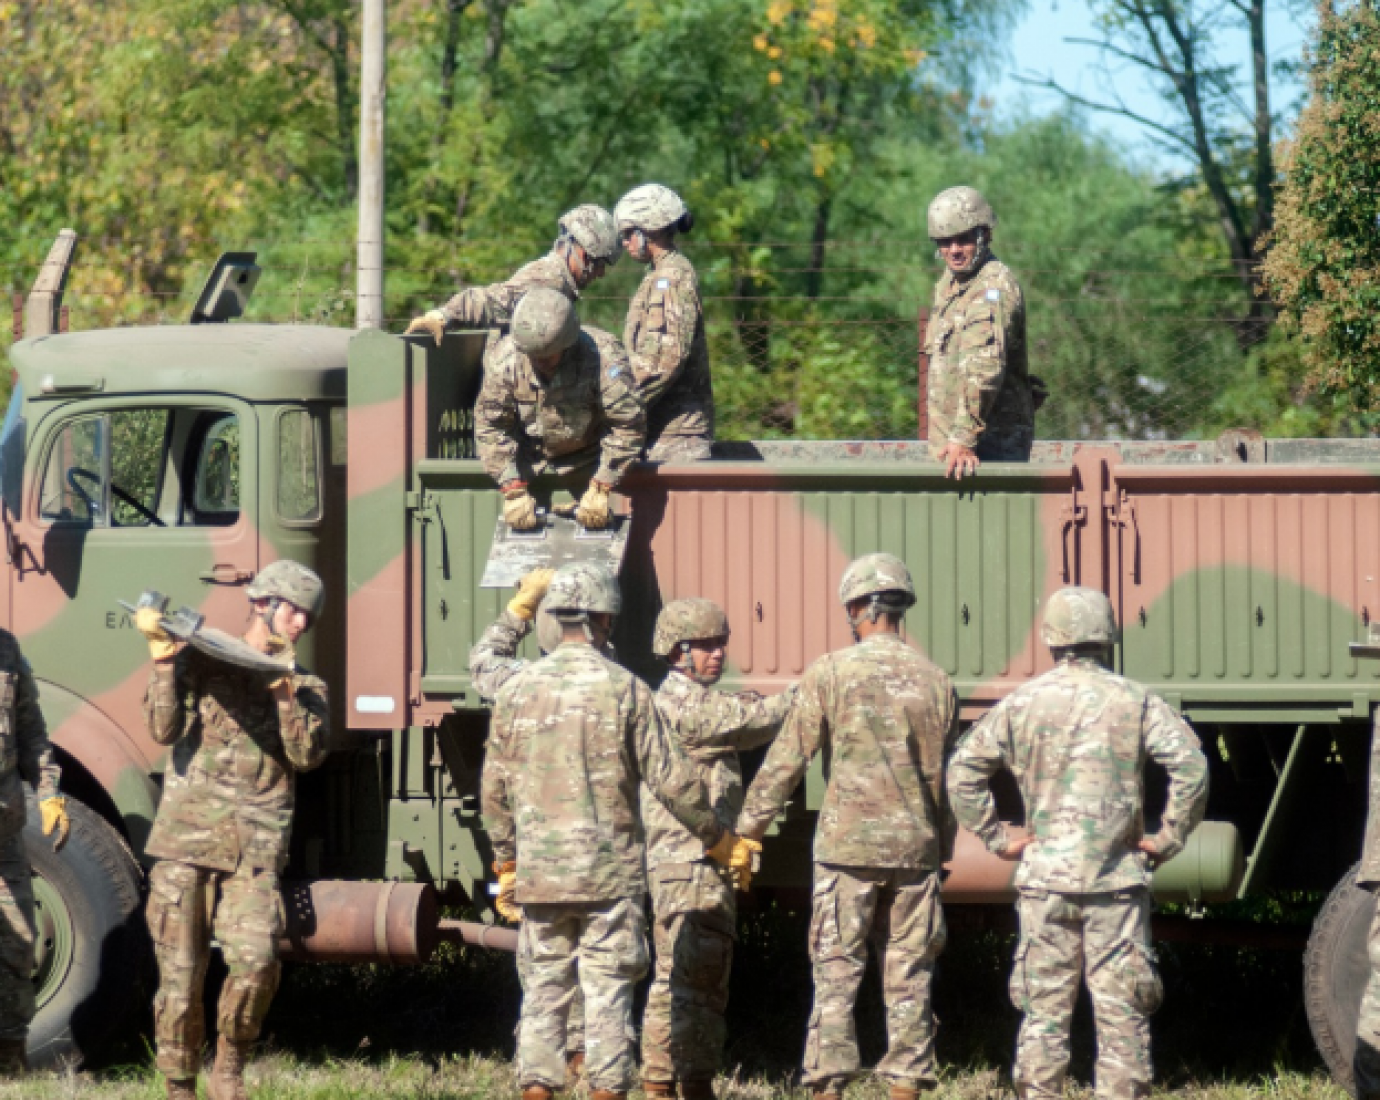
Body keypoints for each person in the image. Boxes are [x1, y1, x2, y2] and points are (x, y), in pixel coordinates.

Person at [481, 563, 741, 1100]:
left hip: (541, 875)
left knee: (543, 991)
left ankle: (537, 1090)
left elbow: (494, 790)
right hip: (609, 877)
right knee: (608, 994)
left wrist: (507, 862)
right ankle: (606, 1089)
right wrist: (716, 836)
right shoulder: (627, 689)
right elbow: (671, 779)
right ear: (605, 620)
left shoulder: (517, 689)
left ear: (555, 617)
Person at [946, 586, 1208, 1100]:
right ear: (1107, 637)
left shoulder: (1022, 702)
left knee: (1043, 1018)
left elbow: (963, 771)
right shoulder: (1136, 700)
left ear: (1052, 638)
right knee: (1123, 1019)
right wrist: (1168, 837)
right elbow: (1191, 766)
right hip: (1117, 887)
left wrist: (997, 838)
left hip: (1046, 886)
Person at [733, 554, 959, 1100]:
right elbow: (948, 780)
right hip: (915, 852)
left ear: (859, 607)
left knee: (836, 974)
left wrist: (747, 831)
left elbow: (788, 759)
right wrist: (941, 848)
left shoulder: (832, 672)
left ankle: (829, 1087)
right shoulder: (937, 681)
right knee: (910, 978)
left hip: (846, 852)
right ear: (900, 607)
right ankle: (905, 1088)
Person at [136, 561, 330, 1100]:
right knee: (180, 978)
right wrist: (162, 664)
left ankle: (229, 1069)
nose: (300, 624)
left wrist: (284, 694)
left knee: (257, 962)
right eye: (294, 611)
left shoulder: (307, 686)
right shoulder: (201, 660)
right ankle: (179, 1085)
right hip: (187, 842)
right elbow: (163, 729)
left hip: (255, 850)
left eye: (308, 617)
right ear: (263, 604)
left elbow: (306, 756)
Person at [641, 598, 795, 1100]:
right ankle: (677, 1083)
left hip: (694, 862)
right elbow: (759, 718)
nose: (718, 653)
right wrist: (815, 687)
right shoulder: (685, 706)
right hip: (690, 863)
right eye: (705, 646)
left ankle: (673, 1080)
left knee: (689, 978)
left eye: (720, 643)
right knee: (690, 980)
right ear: (677, 652)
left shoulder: (690, 702)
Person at [474, 288, 646, 533]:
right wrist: (512, 488)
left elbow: (628, 424)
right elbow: (491, 425)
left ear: (568, 345)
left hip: (592, 462)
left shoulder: (602, 357)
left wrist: (603, 484)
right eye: (532, 355)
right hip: (529, 464)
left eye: (548, 356)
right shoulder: (505, 361)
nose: (539, 362)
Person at [925, 186, 1037, 479]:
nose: (953, 250)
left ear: (984, 235)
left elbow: (984, 368)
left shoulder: (992, 288)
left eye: (963, 239)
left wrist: (963, 438)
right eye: (944, 242)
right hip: (951, 450)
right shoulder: (951, 283)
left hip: (984, 452)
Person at [0, 632, 68, 1074]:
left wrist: (49, 792)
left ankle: (9, 1063)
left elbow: (30, 731)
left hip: (3, 834)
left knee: (20, 942)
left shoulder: (6, 650)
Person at [404, 205, 620, 344]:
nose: (600, 273)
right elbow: (494, 300)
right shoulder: (547, 279)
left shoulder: (561, 282)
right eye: (597, 263)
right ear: (579, 250)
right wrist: (443, 316)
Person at [614, 184, 714, 462]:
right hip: (662, 433)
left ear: (647, 231)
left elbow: (662, 362)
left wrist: (613, 404)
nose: (625, 243)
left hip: (676, 440)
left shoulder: (670, 279)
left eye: (628, 234)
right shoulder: (659, 275)